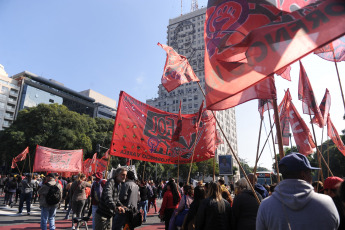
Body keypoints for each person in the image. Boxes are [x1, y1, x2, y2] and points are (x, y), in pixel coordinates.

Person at [256, 152, 340, 230]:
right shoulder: (327, 202)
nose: (311, 177)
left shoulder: (265, 206)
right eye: (310, 173)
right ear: (303, 174)